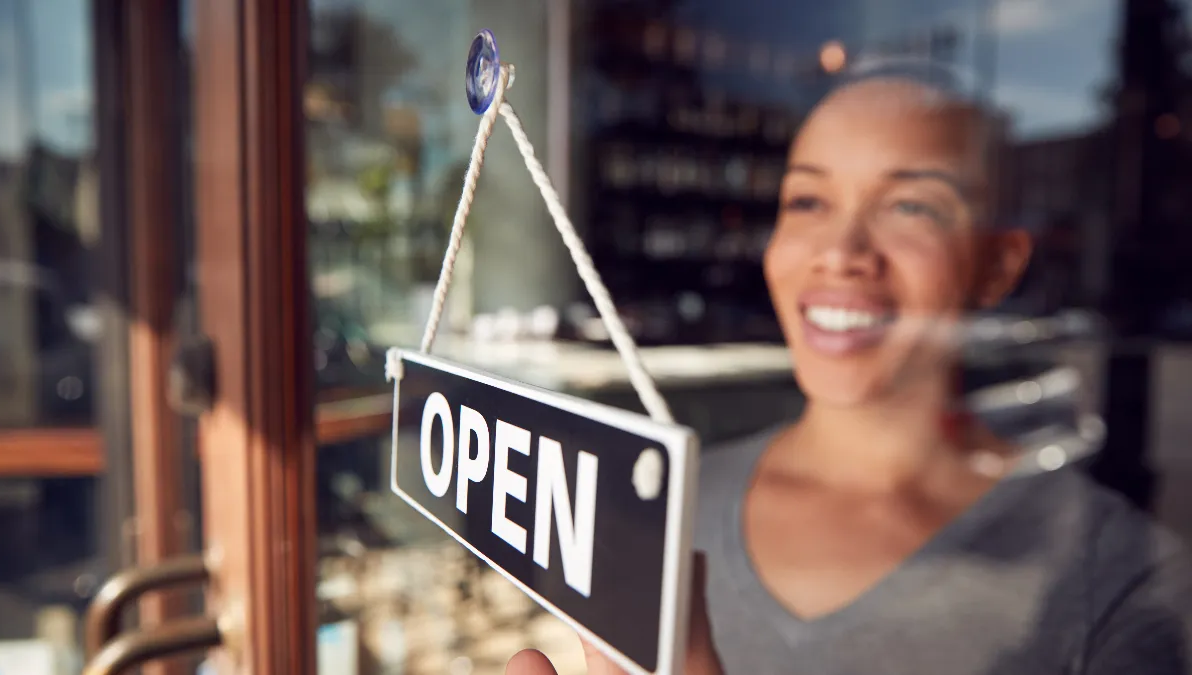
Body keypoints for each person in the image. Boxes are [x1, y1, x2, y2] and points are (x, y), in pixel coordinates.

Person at [506, 65, 1192, 674]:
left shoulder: (1123, 583)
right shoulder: (659, 508)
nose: (841, 251)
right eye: (808, 200)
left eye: (910, 206)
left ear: (998, 265)